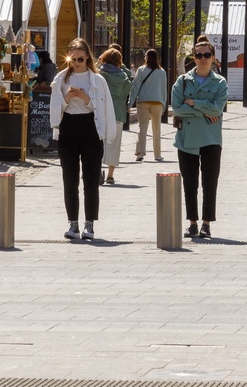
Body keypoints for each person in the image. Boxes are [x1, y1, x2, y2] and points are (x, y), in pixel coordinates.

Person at [48, 38, 116, 240]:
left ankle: (90, 224)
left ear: (87, 56)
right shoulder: (61, 79)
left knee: (91, 179)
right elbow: (54, 109)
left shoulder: (97, 80)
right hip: (68, 126)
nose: (76, 63)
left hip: (90, 128)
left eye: (79, 59)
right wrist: (67, 99)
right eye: (72, 59)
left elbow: (104, 109)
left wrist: (86, 98)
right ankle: (73, 223)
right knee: (69, 178)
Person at [171, 38, 229, 239]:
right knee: (189, 183)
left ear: (213, 58)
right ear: (193, 58)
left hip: (211, 138)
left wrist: (193, 103)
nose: (202, 58)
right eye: (198, 55)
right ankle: (192, 223)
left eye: (206, 55)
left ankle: (206, 223)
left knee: (210, 182)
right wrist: (203, 111)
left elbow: (218, 109)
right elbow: (177, 109)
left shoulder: (220, 82)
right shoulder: (182, 81)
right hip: (186, 139)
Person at [97, 48, 132, 185]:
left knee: (99, 143)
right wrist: (121, 65)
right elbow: (130, 79)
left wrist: (100, 62)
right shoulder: (124, 78)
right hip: (118, 111)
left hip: (102, 111)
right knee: (115, 144)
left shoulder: (101, 75)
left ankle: (98, 171)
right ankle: (110, 175)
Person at [129, 48, 168, 161]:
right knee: (156, 129)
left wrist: (130, 103)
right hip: (157, 102)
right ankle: (157, 154)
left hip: (143, 101)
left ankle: (140, 153)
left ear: (146, 57)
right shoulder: (162, 72)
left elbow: (135, 87)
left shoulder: (141, 70)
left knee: (142, 127)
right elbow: (164, 89)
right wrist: (164, 104)